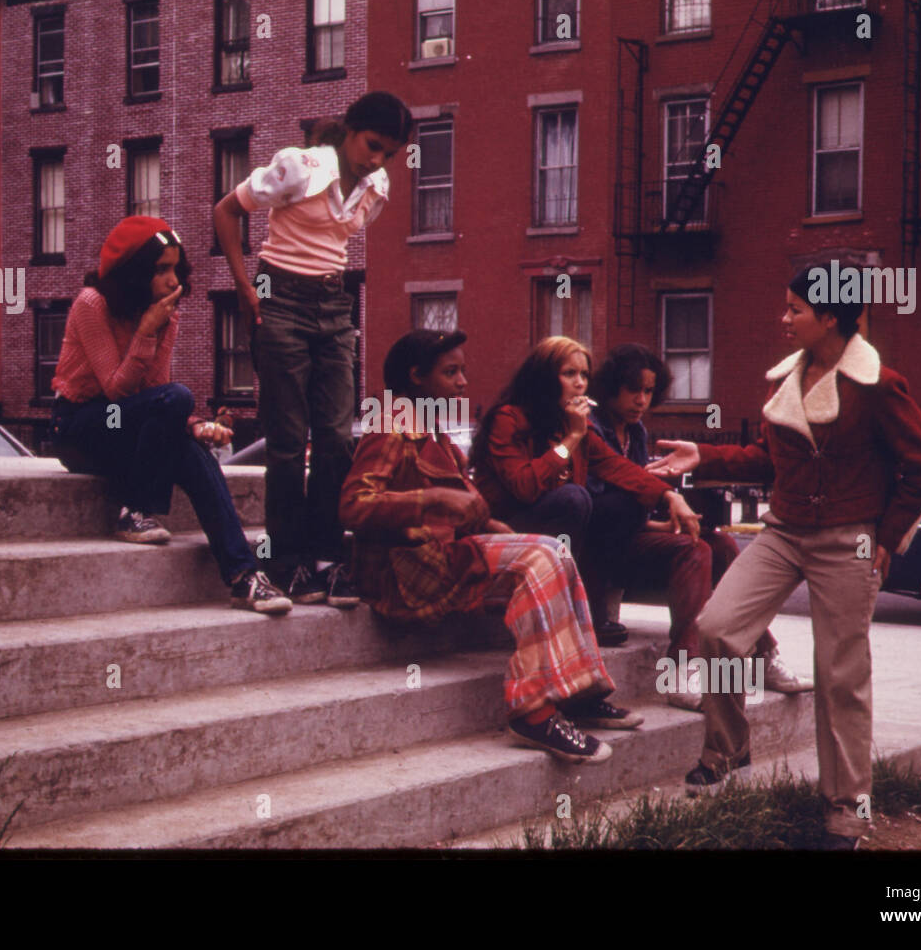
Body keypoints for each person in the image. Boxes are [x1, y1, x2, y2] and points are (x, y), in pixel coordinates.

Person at [648, 266, 921, 849]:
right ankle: (728, 751)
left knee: (841, 675)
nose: (783, 320)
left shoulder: (878, 384)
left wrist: (886, 538)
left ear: (829, 316)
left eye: (794, 310)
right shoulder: (788, 379)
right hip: (782, 531)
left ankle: (846, 810)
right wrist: (701, 456)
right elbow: (768, 459)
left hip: (847, 539)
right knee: (717, 628)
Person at [340, 330, 644, 764]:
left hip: (442, 557)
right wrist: (435, 501)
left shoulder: (433, 432)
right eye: (451, 372)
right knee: (540, 555)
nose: (464, 382)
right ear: (415, 377)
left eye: (463, 370)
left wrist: (490, 523)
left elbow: (462, 506)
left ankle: (579, 693)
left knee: (553, 550)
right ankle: (532, 713)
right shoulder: (391, 427)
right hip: (405, 570)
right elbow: (353, 506)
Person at [214, 91, 413, 608]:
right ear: (350, 130)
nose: (376, 160)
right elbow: (226, 211)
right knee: (286, 438)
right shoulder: (299, 167)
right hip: (278, 297)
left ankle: (325, 558)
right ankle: (284, 561)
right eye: (372, 146)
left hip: (333, 303)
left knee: (335, 437)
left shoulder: (377, 186)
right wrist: (242, 286)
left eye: (387, 153)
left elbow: (338, 242)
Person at [49, 215, 291, 615]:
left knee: (190, 448)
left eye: (176, 268)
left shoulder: (165, 314)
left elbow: (155, 394)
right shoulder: (91, 304)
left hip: (128, 426)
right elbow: (115, 387)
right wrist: (146, 332)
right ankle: (138, 509)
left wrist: (196, 426)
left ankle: (244, 576)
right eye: (161, 269)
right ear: (135, 271)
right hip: (78, 427)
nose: (172, 279)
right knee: (177, 400)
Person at [586, 344, 811, 710]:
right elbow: (605, 504)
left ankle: (762, 653)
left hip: (633, 539)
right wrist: (664, 503)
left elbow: (637, 509)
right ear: (611, 386)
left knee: (718, 544)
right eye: (633, 390)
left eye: (648, 391)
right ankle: (682, 668)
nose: (641, 399)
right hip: (600, 552)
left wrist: (665, 525)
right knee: (694, 550)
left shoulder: (636, 433)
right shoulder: (591, 429)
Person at [468, 336, 701, 648]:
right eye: (569, 374)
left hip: (557, 529)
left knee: (620, 504)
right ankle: (550, 602)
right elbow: (523, 486)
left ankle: (590, 608)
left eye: (584, 375)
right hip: (507, 526)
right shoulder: (509, 418)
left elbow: (618, 467)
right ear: (544, 377)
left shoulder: (574, 425)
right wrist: (572, 438)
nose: (580, 384)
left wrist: (670, 496)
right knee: (574, 498)